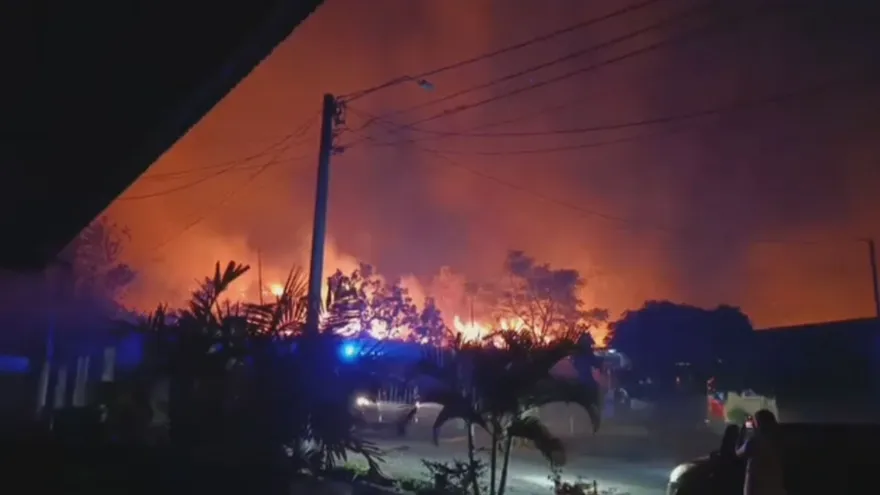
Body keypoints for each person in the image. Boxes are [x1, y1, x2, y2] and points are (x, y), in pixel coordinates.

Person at [736, 409, 786, 495]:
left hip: (757, 487)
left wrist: (742, 432)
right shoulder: (780, 440)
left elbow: (738, 452)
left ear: (758, 423)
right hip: (775, 486)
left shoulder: (755, 442)